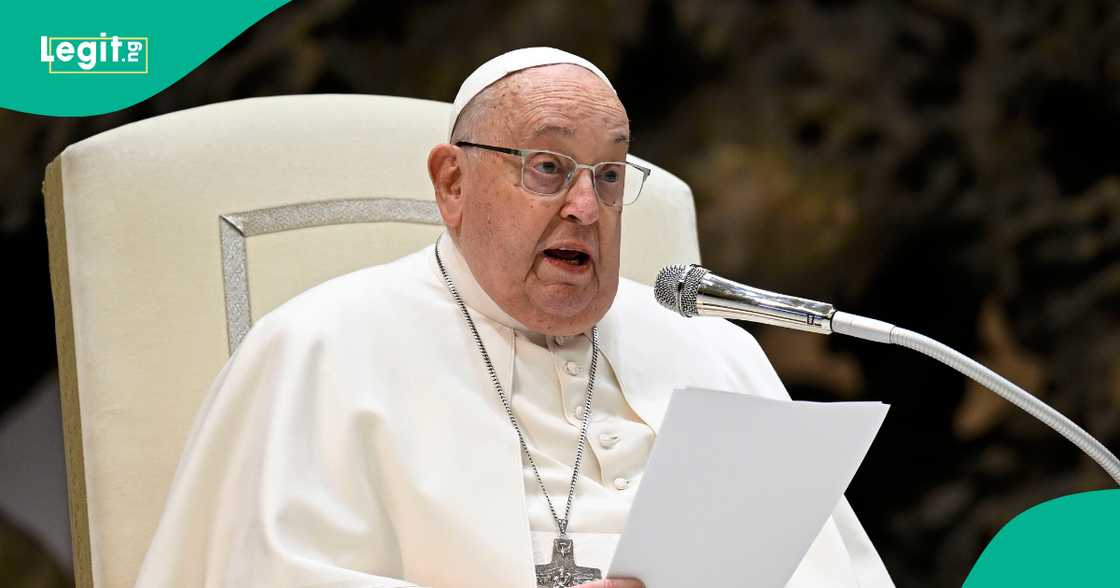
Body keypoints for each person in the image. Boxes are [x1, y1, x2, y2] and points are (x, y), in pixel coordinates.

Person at [134, 47, 893, 588]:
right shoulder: (318, 348)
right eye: (548, 167)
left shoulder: (711, 350)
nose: (585, 207)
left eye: (609, 174)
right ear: (453, 181)